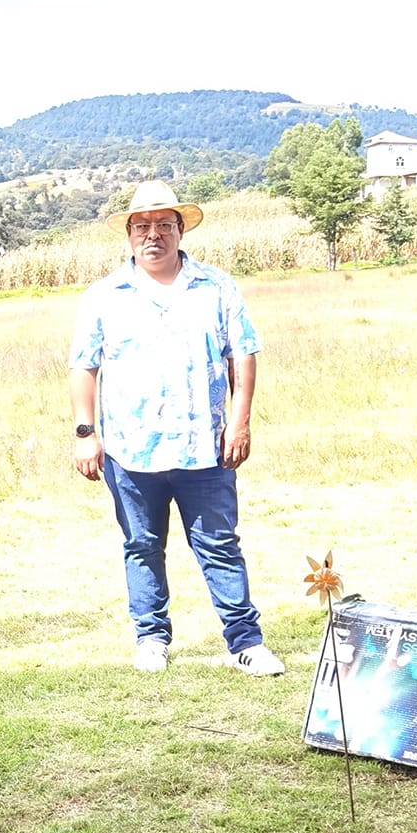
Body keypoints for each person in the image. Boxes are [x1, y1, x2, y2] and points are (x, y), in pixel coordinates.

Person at [68, 182, 283, 676]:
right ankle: (151, 637)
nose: (153, 235)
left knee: (220, 544)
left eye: (165, 225)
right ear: (128, 235)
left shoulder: (217, 287)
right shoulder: (103, 296)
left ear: (180, 230)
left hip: (203, 448)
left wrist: (240, 420)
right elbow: (84, 366)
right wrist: (86, 432)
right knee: (141, 546)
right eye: (142, 226)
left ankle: (245, 642)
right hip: (130, 448)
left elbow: (242, 354)